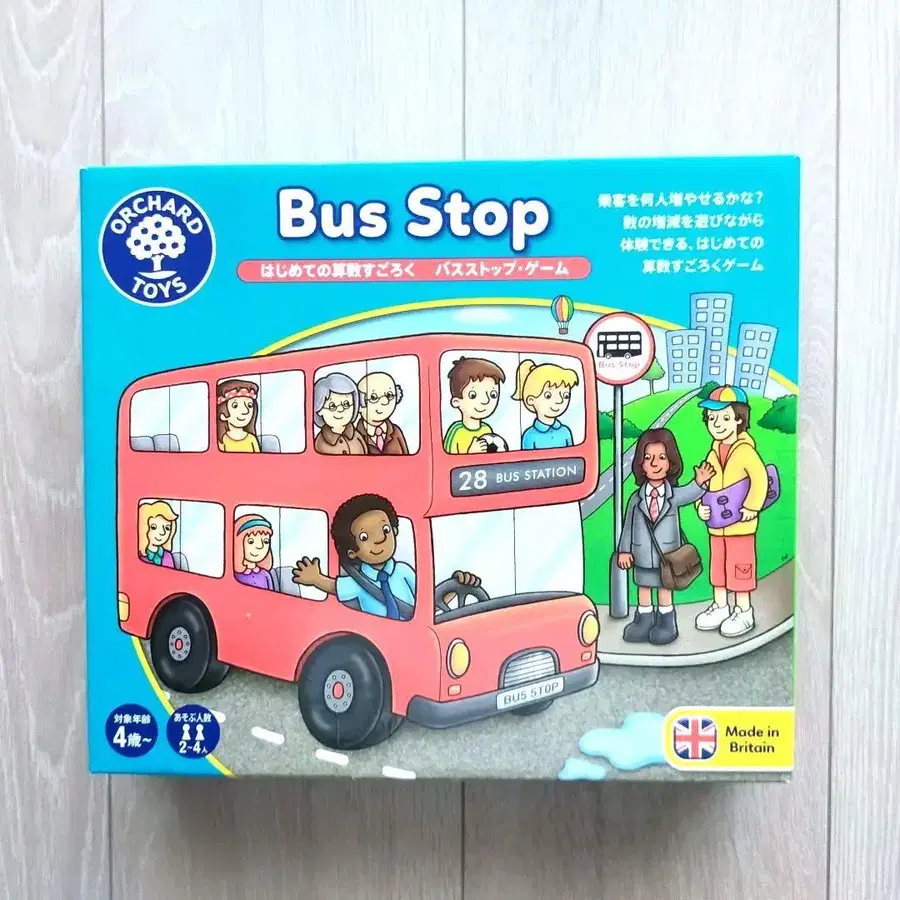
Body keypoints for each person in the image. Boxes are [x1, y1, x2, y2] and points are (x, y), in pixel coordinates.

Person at [292, 493, 480, 620]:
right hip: (377, 640)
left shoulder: (404, 571)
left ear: (394, 531)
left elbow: (429, 602)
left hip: (413, 634)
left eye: (385, 530)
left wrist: (456, 586)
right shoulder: (358, 582)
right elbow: (334, 586)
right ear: (352, 552)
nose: (380, 539)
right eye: (365, 537)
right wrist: (315, 578)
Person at [616, 429, 715, 645]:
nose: (654, 463)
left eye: (661, 457)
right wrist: (624, 551)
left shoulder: (673, 495)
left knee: (664, 588)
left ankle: (666, 623)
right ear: (640, 463)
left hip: (667, 557)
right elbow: (628, 527)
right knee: (643, 587)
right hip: (641, 555)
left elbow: (690, 493)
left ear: (671, 462)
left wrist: (699, 482)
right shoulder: (636, 499)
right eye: (648, 458)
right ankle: (643, 620)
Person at [693, 385, 768, 638]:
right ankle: (721, 606)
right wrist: (700, 507)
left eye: (725, 418)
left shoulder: (745, 451)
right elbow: (705, 485)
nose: (717, 424)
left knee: (740, 568)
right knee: (719, 568)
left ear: (739, 419)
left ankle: (744, 611)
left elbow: (760, 478)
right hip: (717, 527)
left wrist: (752, 506)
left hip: (741, 526)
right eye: (712, 418)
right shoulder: (713, 453)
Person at [442, 356, 506, 454]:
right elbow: (447, 458)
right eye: (473, 395)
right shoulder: (456, 431)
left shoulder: (486, 429)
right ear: (456, 402)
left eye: (493, 395)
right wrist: (470, 453)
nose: (485, 401)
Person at [512, 359, 579, 450]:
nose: (559, 401)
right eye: (548, 396)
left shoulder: (565, 432)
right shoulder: (530, 436)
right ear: (531, 400)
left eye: (565, 396)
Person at [313, 372, 368, 455]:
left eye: (346, 404)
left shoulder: (357, 437)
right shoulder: (320, 443)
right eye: (332, 406)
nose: (340, 409)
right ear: (320, 410)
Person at [355, 371, 409, 455]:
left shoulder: (396, 431)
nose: (385, 402)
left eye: (389, 395)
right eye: (373, 397)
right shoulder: (356, 436)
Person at [233, 513, 276, 591]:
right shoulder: (235, 576)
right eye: (251, 542)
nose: (260, 546)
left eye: (266, 541)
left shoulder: (265, 574)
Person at [216, 378, 261, 452]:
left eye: (249, 405)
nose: (246, 411)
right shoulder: (222, 440)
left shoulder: (252, 439)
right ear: (223, 415)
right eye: (235, 406)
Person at [137, 500, 178, 568]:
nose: (162, 533)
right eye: (154, 527)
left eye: (167, 528)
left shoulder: (168, 556)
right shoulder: (141, 557)